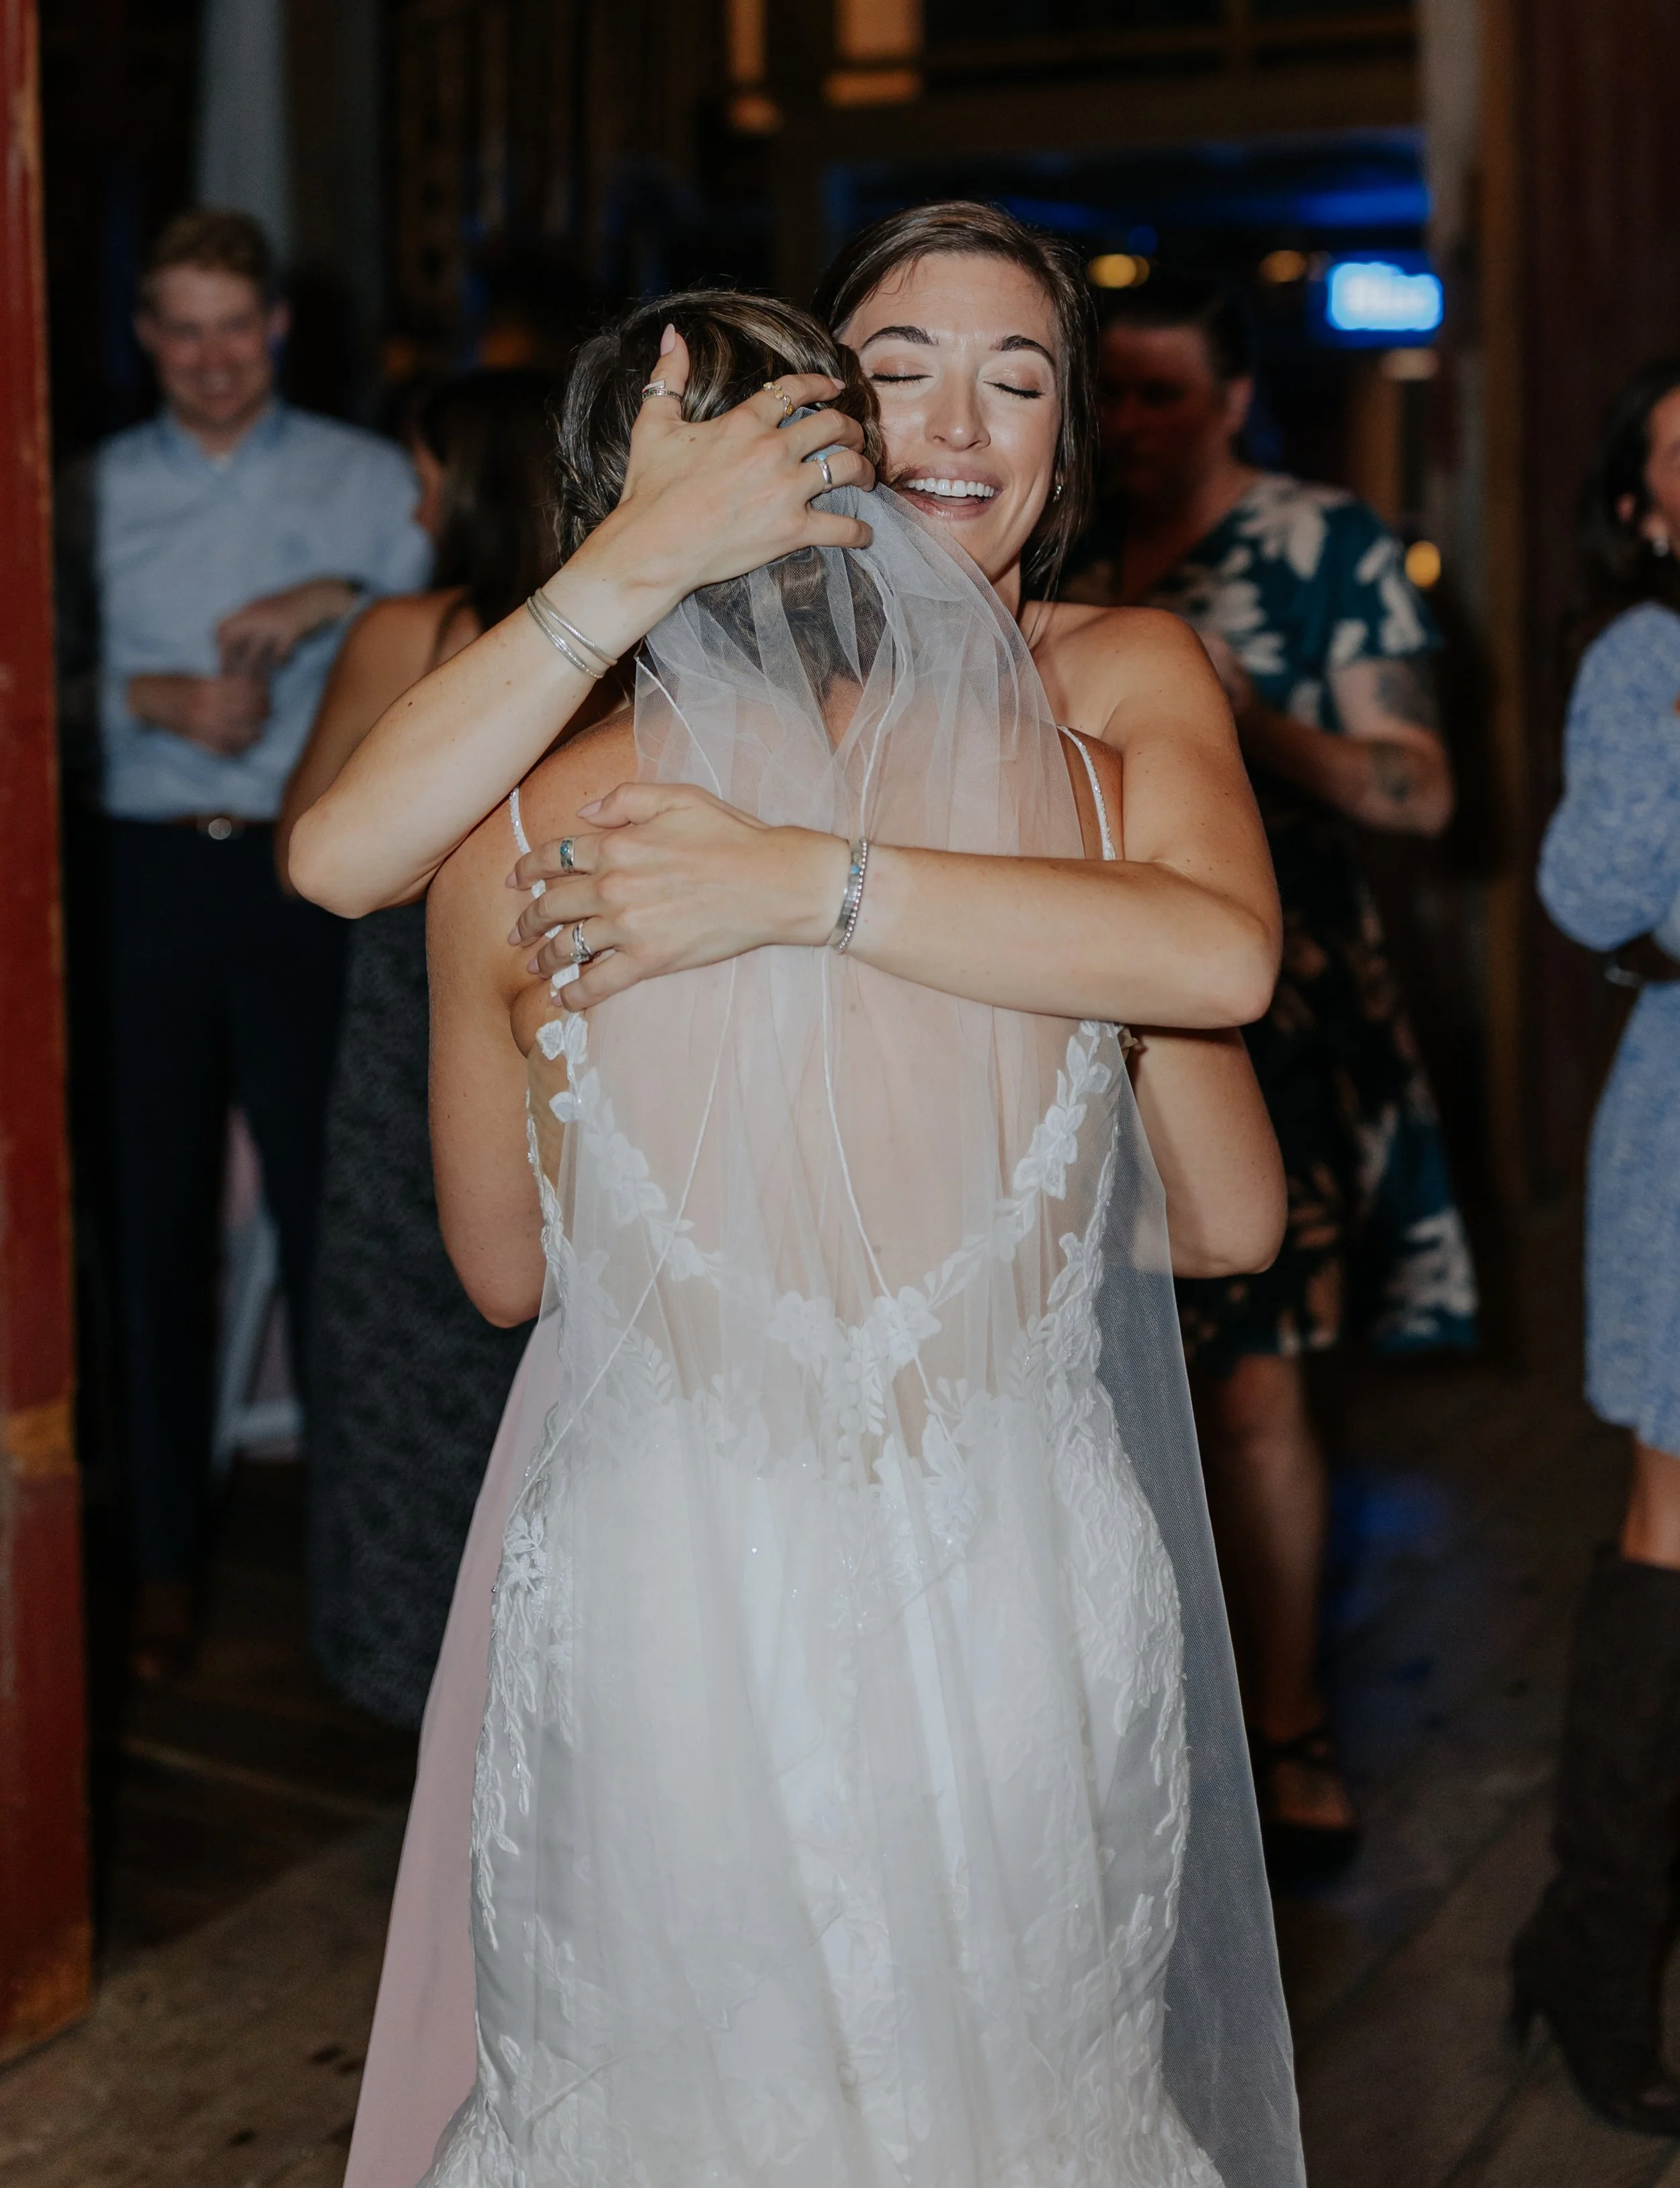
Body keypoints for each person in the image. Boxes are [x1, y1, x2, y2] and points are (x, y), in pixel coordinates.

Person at [345, 284, 1302, 2188]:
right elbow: (1233, 1214)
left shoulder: (506, 849)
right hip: (1014, 1580)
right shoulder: (1096, 812)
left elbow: (505, 1275)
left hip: (666, 1601)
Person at [1066, 271, 1476, 1883]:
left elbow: (1422, 794)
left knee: (1248, 1381)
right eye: (1113, 394)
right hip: (1061, 991)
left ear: (1234, 400)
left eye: (1164, 392)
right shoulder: (1060, 545)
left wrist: (1250, 729)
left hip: (1265, 1003)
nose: (1133, 422)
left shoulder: (1323, 546)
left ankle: (1288, 1722)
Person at [97, 206, 429, 1679]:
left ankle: (357, 1567)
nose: (213, 357)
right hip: (143, 879)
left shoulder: (368, 483)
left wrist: (338, 600)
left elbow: (472, 614)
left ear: (278, 327)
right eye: (182, 327)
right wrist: (139, 702)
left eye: (237, 325)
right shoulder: (84, 491)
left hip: (315, 887)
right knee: (149, 1231)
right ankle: (162, 1561)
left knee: (334, 1219)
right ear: (145, 336)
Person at [279, 371, 610, 1727]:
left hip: (410, 1050)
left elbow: (313, 829)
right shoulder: (637, 651)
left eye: (426, 476)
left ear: (476, 484)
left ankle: (422, 1686)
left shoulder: (410, 635)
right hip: (574, 1034)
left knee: (401, 1369)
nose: (413, 502)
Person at [1512, 358, 1680, 2136]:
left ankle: (1578, 1937)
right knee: (1672, 1521)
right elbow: (1584, 893)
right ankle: (1600, 1952)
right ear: (1641, 508)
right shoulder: (1643, 656)